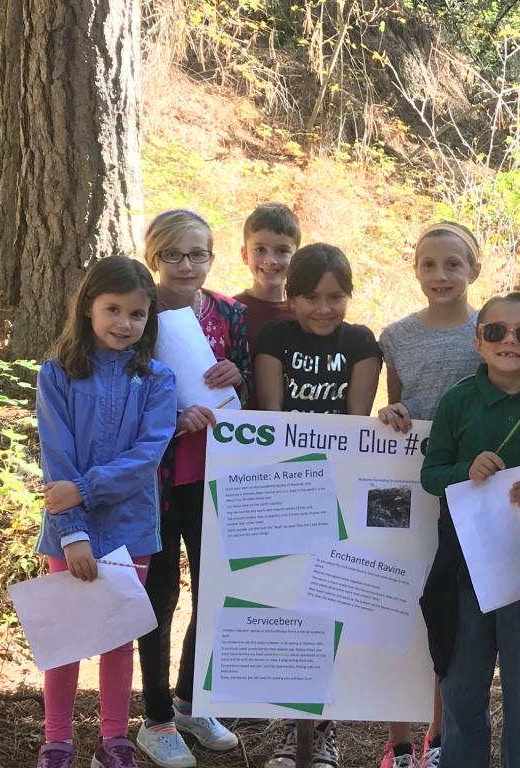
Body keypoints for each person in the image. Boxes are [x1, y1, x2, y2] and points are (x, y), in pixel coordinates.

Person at [33, 256, 177, 768]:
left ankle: (114, 738)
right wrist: (71, 532)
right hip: (68, 532)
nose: (124, 323)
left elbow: (147, 456)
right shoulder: (57, 374)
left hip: (132, 529)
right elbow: (57, 454)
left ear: (149, 318)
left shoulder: (157, 379)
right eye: (112, 309)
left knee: (118, 635)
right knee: (67, 638)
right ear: (88, 308)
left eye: (136, 314)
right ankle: (58, 740)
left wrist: (86, 489)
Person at [420, 291, 520, 768]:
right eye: (496, 331)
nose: (511, 340)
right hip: (464, 564)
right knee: (463, 681)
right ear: (478, 341)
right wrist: (465, 471)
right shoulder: (458, 401)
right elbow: (430, 475)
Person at [254, 242, 383, 768]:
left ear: (349, 296)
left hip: (342, 490)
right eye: (310, 297)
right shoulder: (273, 338)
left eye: (336, 296)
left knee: (330, 608)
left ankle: (323, 729)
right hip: (285, 489)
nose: (324, 308)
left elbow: (355, 423)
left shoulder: (362, 342)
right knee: (288, 605)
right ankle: (292, 727)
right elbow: (271, 420)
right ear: (291, 295)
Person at [136, 210, 250, 768]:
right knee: (158, 598)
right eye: (174, 255)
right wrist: (168, 421)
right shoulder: (137, 311)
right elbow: (121, 389)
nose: (187, 265)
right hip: (156, 480)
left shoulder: (231, 313)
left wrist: (238, 376)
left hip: (218, 477)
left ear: (212, 256)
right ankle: (154, 717)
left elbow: (251, 390)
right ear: (154, 257)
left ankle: (190, 701)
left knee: (215, 593)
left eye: (198, 254)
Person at [376, 222, 483, 768]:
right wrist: (389, 413)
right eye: (428, 265)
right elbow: (395, 407)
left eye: (452, 265)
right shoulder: (395, 336)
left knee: (445, 606)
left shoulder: (491, 330)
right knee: (398, 594)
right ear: (415, 269)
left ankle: (438, 738)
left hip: (467, 489)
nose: (440, 275)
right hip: (404, 483)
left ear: (474, 270)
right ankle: (397, 741)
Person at [234, 202, 301, 360]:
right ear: (245, 255)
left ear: (297, 257)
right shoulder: (230, 313)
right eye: (259, 250)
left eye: (282, 251)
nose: (270, 260)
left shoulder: (305, 315)